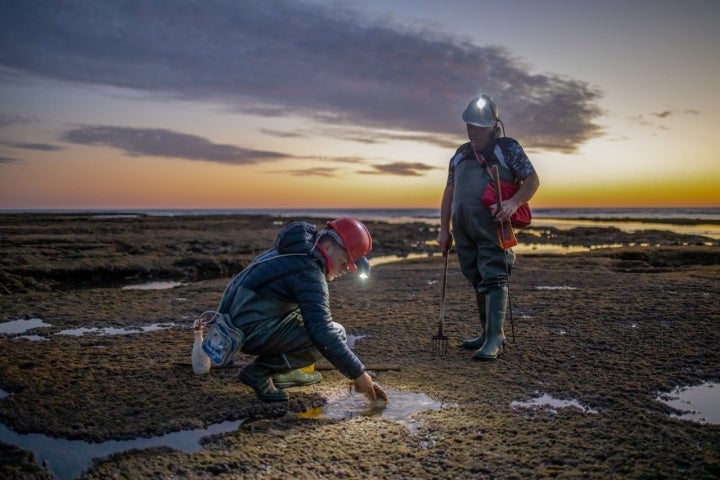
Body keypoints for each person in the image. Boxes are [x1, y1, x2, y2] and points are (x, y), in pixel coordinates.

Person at [216, 217, 380, 402]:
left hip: (236, 323)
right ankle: (258, 372)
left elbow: (237, 283)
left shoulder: (295, 250)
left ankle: (285, 372)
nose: (347, 270)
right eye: (345, 262)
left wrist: (219, 323)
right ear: (327, 247)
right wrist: (358, 374)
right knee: (335, 332)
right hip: (251, 330)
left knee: (308, 315)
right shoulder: (309, 272)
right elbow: (322, 332)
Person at [436, 95, 540, 360]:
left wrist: (514, 203)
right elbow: (449, 191)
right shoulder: (460, 154)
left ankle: (495, 338)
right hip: (463, 230)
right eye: (470, 126)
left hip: (493, 225)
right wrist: (443, 229)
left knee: (494, 275)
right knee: (477, 277)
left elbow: (532, 179)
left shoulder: (507, 149)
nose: (473, 132)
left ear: (494, 126)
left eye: (480, 127)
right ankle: (486, 332)